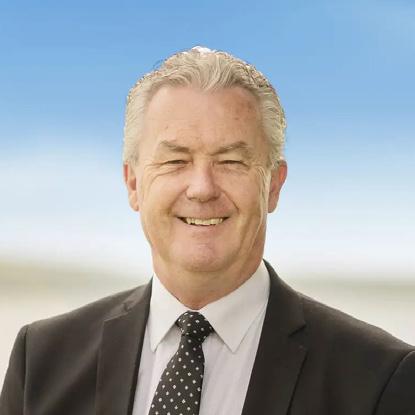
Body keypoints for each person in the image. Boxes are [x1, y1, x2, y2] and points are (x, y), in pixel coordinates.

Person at [1, 46, 414, 415]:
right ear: (133, 184)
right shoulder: (41, 361)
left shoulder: (379, 380)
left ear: (273, 185)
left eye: (231, 161)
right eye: (175, 161)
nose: (202, 188)